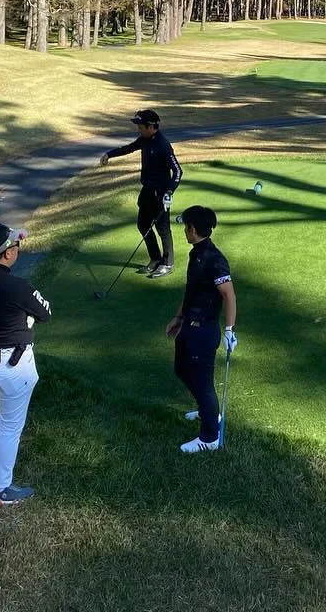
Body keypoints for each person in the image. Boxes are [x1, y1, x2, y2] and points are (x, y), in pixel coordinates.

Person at [0, 222, 51, 507]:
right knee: (11, 425)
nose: (18, 248)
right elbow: (45, 313)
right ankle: (0, 489)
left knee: (2, 416)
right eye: (15, 246)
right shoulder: (18, 287)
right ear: (6, 254)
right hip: (13, 367)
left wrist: (16, 235)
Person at [166, 205, 237, 454]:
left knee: (203, 382)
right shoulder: (196, 253)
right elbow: (191, 291)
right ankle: (209, 411)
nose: (184, 231)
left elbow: (229, 295)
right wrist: (178, 317)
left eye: (186, 227)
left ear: (193, 229)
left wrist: (229, 330)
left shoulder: (215, 260)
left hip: (204, 332)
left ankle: (209, 436)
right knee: (181, 369)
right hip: (189, 325)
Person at [98, 109, 182, 278]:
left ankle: (168, 263)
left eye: (141, 127)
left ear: (151, 127)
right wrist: (109, 154)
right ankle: (155, 259)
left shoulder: (163, 145)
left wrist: (169, 192)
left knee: (163, 229)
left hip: (160, 194)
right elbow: (128, 148)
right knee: (143, 225)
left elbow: (178, 172)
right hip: (147, 191)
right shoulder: (144, 139)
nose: (139, 130)